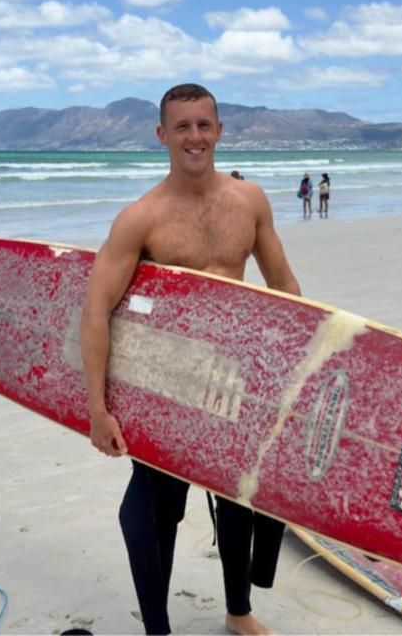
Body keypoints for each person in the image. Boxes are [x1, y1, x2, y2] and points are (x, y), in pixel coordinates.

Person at [80, 83, 301, 636]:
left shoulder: (250, 201)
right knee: (158, 508)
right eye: (182, 127)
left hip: (237, 376)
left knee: (238, 502)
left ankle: (238, 611)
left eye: (204, 125)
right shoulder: (141, 218)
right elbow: (96, 312)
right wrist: (97, 408)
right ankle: (158, 628)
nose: (194, 137)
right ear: (162, 135)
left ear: (220, 131)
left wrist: (296, 372)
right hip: (165, 382)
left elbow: (284, 288)